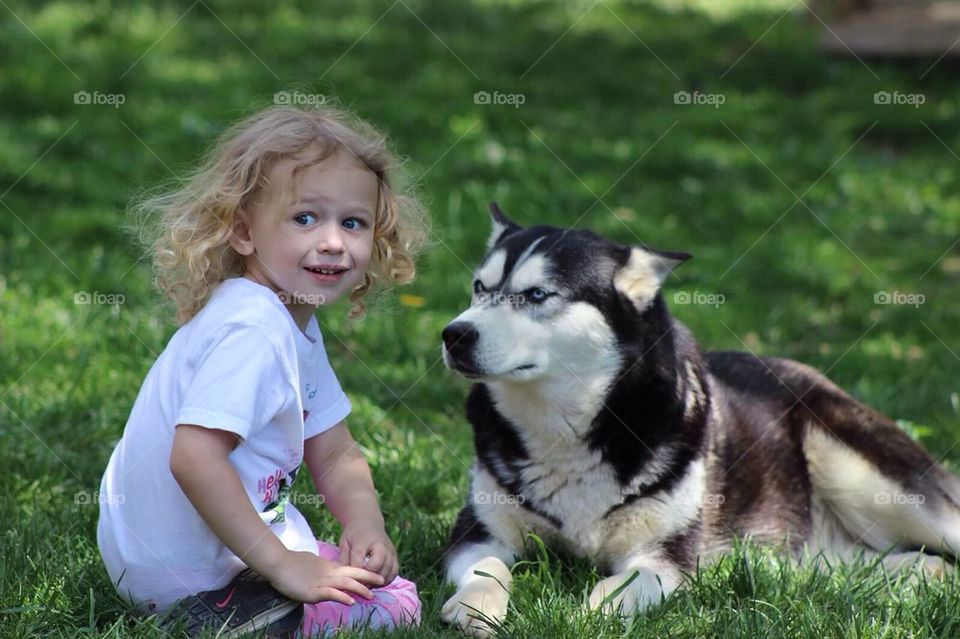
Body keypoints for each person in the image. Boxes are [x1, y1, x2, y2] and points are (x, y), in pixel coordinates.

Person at [96, 103, 427, 637]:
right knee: (392, 605)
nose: (333, 241)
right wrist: (283, 564)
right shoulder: (253, 328)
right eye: (305, 218)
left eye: (353, 222)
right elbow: (194, 457)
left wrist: (365, 522)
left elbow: (335, 448)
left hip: (169, 559)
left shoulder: (286, 316)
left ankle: (254, 602)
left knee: (367, 584)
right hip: (188, 572)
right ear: (244, 232)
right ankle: (237, 611)